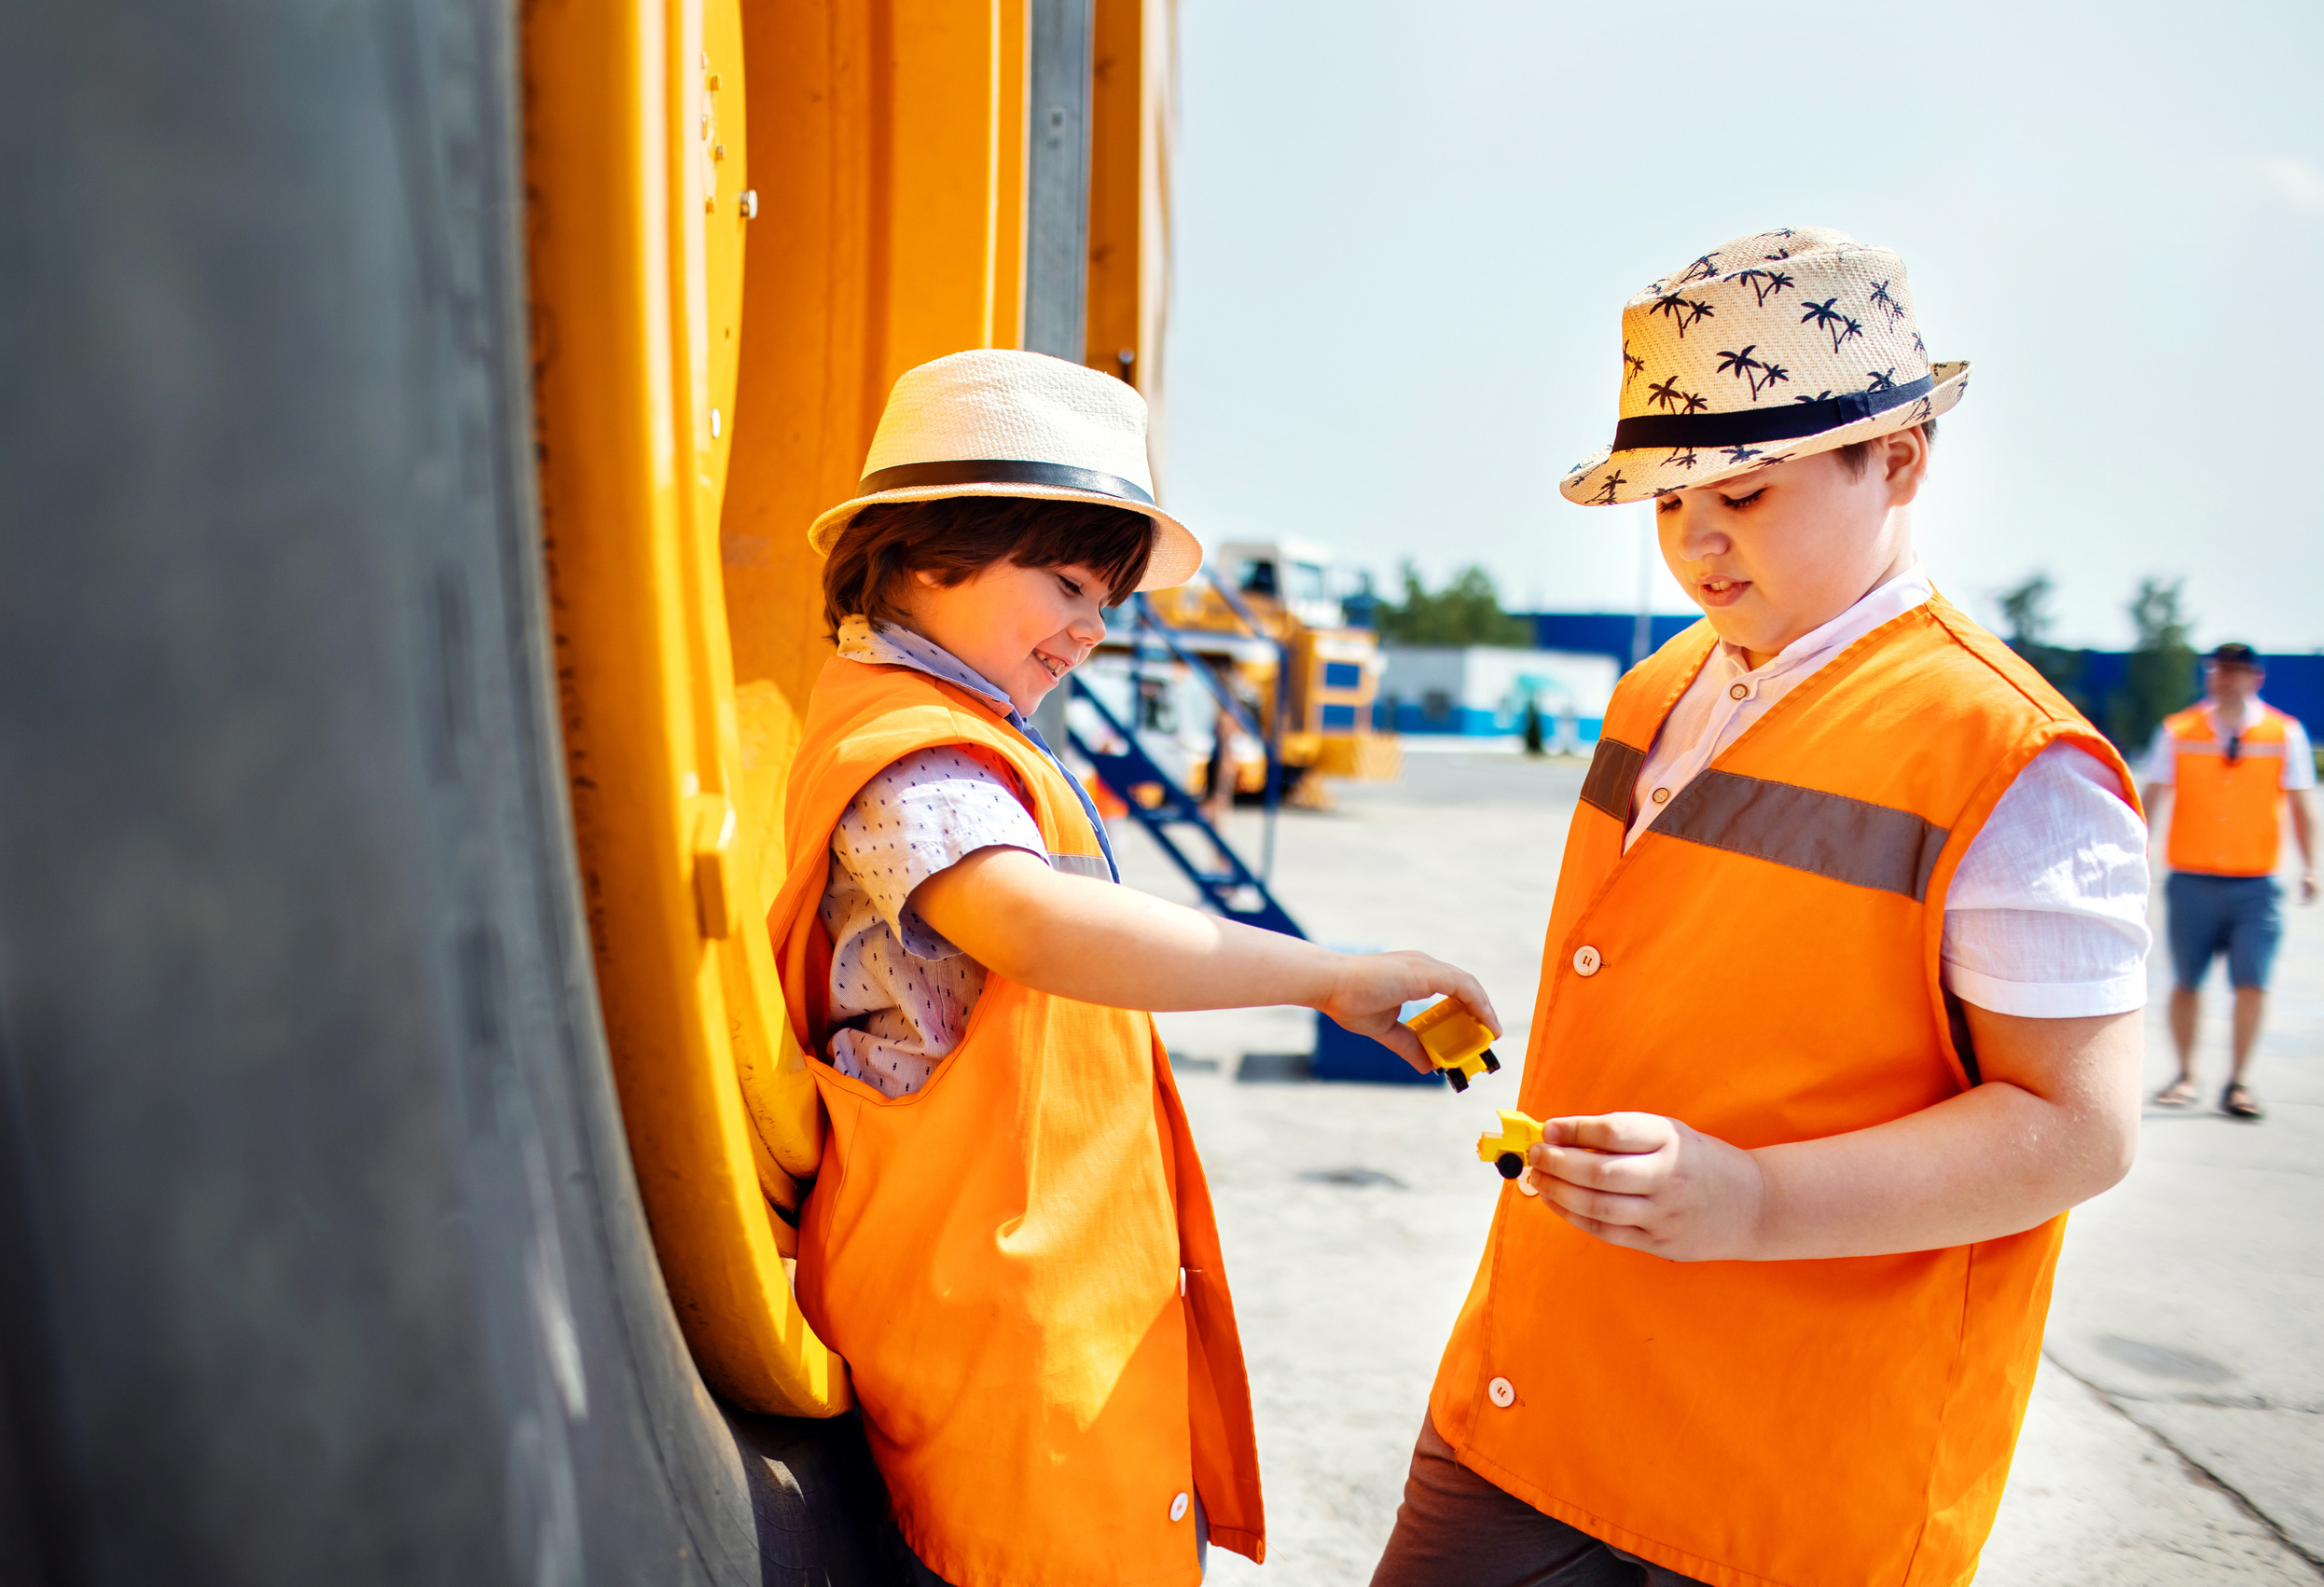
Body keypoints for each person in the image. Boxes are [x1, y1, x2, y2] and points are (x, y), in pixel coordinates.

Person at [1372, 228, 2151, 1587]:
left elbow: (2078, 1127)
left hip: (1792, 1472)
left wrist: (1755, 1199)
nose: (1697, 541)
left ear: (1897, 458)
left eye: (1743, 490)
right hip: (1540, 1387)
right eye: (1668, 502)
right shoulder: (1656, 688)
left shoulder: (2012, 759)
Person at [766, 349, 1499, 1587]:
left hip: (1020, 1279)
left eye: (1103, 597)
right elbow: (1034, 923)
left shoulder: (944, 731)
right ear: (929, 553)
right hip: (993, 1300)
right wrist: (1327, 976)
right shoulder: (918, 758)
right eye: (1064, 583)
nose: (1093, 630)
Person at [2141, 642, 2317, 1120]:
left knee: (2252, 982)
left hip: (2255, 885)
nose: (2224, 678)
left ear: (2256, 678)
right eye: (2217, 670)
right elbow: (2151, 798)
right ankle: (2185, 1075)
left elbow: (2302, 806)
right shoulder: (2178, 730)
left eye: (2235, 671)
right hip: (2191, 880)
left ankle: (2238, 1082)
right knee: (2186, 982)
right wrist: (2135, 855)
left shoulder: (2284, 732)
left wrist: (2310, 866)